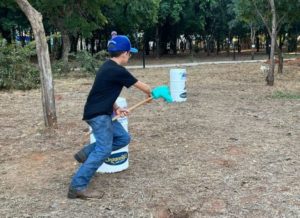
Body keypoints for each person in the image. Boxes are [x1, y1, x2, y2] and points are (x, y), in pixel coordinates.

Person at [68, 35, 151, 199]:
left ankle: (86, 153)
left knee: (123, 138)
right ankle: (77, 187)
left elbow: (105, 92)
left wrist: (117, 108)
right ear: (125, 53)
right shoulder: (117, 70)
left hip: (102, 111)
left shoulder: (108, 66)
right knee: (104, 149)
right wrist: (153, 93)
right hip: (98, 115)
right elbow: (143, 87)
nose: (130, 56)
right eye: (130, 54)